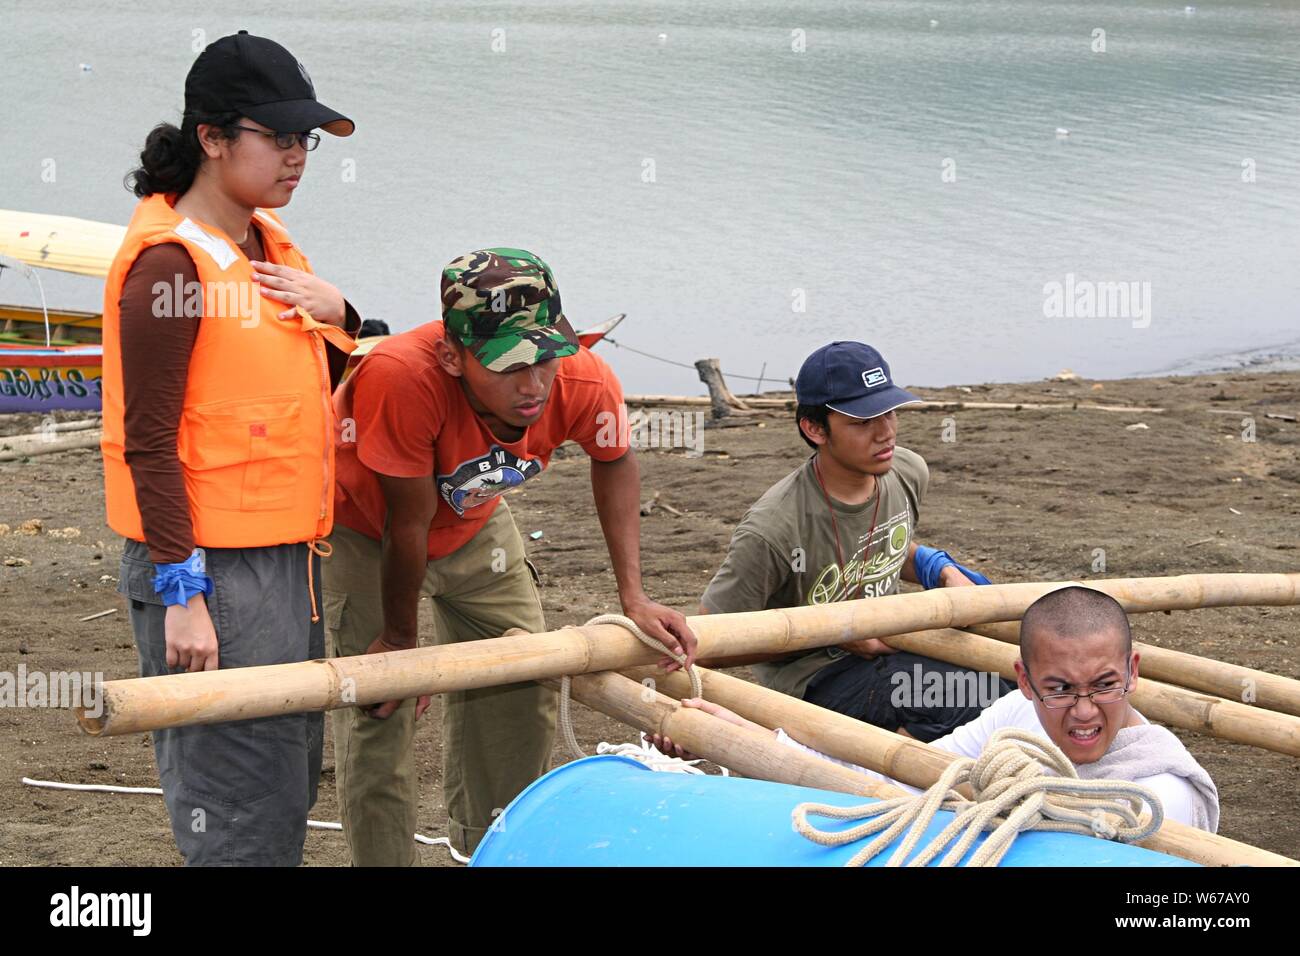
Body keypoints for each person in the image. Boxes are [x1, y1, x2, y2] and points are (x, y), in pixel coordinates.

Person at [324, 247, 699, 863]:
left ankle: (484, 851)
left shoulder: (582, 377)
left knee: (523, 679)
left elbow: (615, 462)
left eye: (545, 358)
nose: (532, 386)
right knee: (379, 708)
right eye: (507, 366)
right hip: (365, 527)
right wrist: (398, 639)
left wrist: (634, 596)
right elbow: (405, 522)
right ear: (452, 355)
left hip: (474, 522)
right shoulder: (400, 376)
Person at [100, 31, 360, 865]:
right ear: (212, 139)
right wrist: (183, 591)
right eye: (278, 137)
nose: (297, 157)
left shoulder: (267, 250)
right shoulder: (169, 269)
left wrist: (345, 313)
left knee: (284, 778)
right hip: (208, 566)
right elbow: (148, 443)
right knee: (234, 798)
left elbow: (319, 376)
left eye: (305, 140)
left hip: (288, 557)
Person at [657, 587, 1220, 831]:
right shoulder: (1014, 723)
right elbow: (903, 776)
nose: (1083, 712)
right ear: (1022, 680)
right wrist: (746, 738)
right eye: (1060, 688)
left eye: (1103, 685)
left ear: (1133, 672)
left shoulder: (1159, 794)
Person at [700, 341, 1010, 741]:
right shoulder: (773, 529)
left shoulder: (907, 472)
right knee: (969, 698)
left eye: (890, 412)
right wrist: (836, 633)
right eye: (863, 422)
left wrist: (940, 568)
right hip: (817, 677)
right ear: (814, 429)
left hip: (895, 643)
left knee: (1015, 684)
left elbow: (884, 549)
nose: (886, 432)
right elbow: (709, 643)